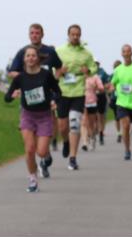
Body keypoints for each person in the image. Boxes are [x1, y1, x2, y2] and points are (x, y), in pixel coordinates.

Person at [5, 45, 61, 192]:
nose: (30, 58)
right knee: (29, 150)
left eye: (33, 55)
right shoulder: (20, 77)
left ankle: (46, 156)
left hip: (44, 116)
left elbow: (58, 92)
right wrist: (12, 95)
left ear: (38, 59)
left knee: (40, 152)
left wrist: (54, 100)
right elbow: (7, 97)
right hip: (27, 116)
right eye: (27, 56)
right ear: (24, 59)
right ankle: (33, 178)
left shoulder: (46, 75)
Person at [8, 23, 62, 168]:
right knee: (30, 139)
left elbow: (60, 67)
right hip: (28, 98)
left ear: (42, 34)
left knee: (45, 129)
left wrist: (55, 79)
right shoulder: (23, 52)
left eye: (37, 33)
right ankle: (37, 161)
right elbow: (12, 71)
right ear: (29, 35)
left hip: (46, 96)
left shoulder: (50, 51)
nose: (34, 35)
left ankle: (45, 152)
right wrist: (25, 78)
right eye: (32, 33)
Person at [55, 25, 96, 171]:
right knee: (62, 127)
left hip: (78, 92)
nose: (75, 37)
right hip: (62, 92)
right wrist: (60, 71)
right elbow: (53, 70)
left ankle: (73, 158)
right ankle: (66, 141)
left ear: (80, 36)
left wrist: (88, 70)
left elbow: (93, 67)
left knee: (74, 123)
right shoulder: (59, 51)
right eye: (72, 34)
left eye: (78, 35)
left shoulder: (86, 53)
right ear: (68, 35)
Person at [82, 69, 104, 151]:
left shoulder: (95, 77)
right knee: (84, 122)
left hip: (92, 102)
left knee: (91, 123)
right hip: (81, 101)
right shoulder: (80, 77)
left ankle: (92, 138)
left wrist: (96, 87)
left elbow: (101, 88)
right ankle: (84, 142)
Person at [95, 61, 111, 145]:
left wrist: (101, 87)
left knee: (101, 116)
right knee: (92, 116)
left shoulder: (102, 72)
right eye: (94, 63)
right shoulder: (88, 71)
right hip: (91, 97)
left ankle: (101, 133)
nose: (95, 65)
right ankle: (94, 132)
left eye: (96, 63)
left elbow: (108, 84)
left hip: (101, 96)